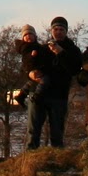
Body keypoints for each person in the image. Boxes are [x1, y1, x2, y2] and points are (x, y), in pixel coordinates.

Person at [26, 16, 83, 149]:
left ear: (66, 31)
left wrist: (61, 53)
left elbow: (75, 70)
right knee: (33, 130)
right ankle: (29, 159)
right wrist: (29, 73)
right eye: (55, 29)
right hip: (39, 94)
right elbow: (29, 64)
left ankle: (58, 157)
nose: (58, 32)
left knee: (57, 132)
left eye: (61, 29)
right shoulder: (43, 48)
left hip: (59, 94)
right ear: (51, 31)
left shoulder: (73, 50)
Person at [11, 24, 49, 108]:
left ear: (35, 36)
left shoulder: (37, 46)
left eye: (30, 34)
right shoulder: (25, 47)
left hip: (37, 67)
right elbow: (26, 58)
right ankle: (37, 95)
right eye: (26, 35)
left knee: (30, 83)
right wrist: (32, 56)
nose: (28, 36)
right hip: (32, 67)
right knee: (44, 80)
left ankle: (21, 96)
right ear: (23, 38)